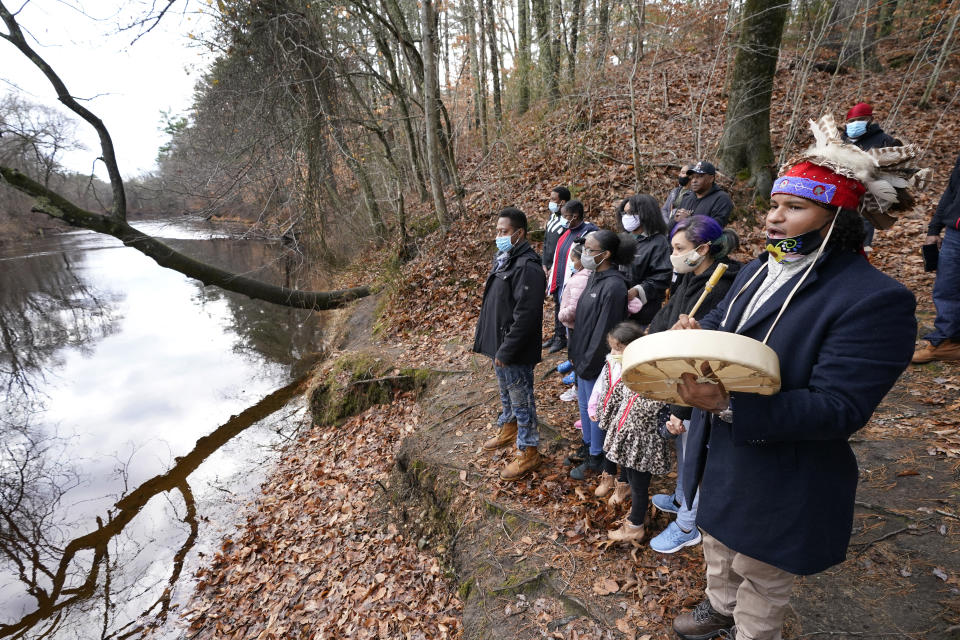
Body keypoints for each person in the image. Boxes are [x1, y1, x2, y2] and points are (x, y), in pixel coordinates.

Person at [669, 116, 919, 640]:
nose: (774, 219)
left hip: (785, 462)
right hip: (724, 450)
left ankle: (750, 631)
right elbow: (727, 324)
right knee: (716, 538)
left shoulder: (875, 300)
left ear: (837, 220)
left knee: (760, 568)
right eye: (774, 205)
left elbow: (839, 407)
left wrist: (728, 406)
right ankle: (718, 605)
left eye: (794, 208)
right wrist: (696, 332)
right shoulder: (764, 266)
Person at [643, 215, 740, 555]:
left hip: (699, 385)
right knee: (685, 452)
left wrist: (680, 409)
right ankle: (682, 496)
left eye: (679, 249)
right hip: (676, 375)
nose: (674, 255)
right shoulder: (689, 277)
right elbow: (669, 313)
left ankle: (689, 522)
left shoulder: (722, 285)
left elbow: (702, 354)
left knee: (696, 449)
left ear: (702, 250)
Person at [473, 207, 547, 481]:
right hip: (499, 343)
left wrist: (506, 350)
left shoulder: (528, 267)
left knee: (522, 398)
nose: (499, 236)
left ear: (520, 233)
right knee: (506, 392)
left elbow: (526, 315)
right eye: (497, 231)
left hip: (515, 348)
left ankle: (528, 450)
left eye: (504, 232)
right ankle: (509, 426)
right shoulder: (505, 258)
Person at [567, 230, 637, 480]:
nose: (584, 252)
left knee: (595, 409)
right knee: (585, 406)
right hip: (582, 357)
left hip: (596, 362)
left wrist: (588, 362)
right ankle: (588, 446)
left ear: (606, 254)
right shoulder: (594, 277)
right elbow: (582, 320)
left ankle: (597, 456)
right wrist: (574, 353)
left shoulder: (615, 285)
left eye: (590, 249)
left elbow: (605, 331)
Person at [598, 322, 672, 544]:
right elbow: (616, 398)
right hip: (627, 441)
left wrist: (669, 430)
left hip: (643, 447)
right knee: (630, 478)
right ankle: (633, 515)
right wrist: (605, 418)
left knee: (639, 488)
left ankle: (635, 526)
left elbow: (666, 420)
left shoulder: (662, 387)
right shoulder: (633, 376)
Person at [913, 149, 960, 363]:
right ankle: (944, 344)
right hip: (955, 234)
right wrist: (934, 229)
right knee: (947, 289)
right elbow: (951, 192)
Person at [840, 102, 902, 254]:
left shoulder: (884, 141)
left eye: (860, 119)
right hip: (841, 194)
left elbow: (894, 170)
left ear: (869, 120)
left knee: (862, 234)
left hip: (868, 198)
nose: (855, 124)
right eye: (851, 121)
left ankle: (860, 258)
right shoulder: (840, 140)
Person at [545, 200, 598, 353]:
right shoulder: (566, 230)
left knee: (573, 315)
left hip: (578, 282)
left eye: (564, 216)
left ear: (574, 216)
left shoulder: (589, 233)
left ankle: (574, 351)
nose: (562, 219)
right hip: (561, 279)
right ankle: (559, 337)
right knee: (560, 308)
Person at [620, 194, 673, 327]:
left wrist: (637, 291)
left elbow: (662, 277)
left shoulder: (659, 243)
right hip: (618, 306)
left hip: (642, 311)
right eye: (624, 212)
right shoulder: (623, 237)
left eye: (630, 213)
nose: (626, 217)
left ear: (645, 213)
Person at [542, 186, 571, 350]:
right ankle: (557, 334)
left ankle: (562, 337)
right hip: (549, 266)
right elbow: (547, 242)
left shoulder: (566, 221)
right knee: (555, 301)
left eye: (553, 199)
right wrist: (544, 263)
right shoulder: (552, 217)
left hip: (562, 268)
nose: (550, 202)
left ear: (563, 202)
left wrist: (555, 266)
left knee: (562, 301)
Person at [675, 161, 734, 227]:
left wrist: (689, 220)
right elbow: (673, 223)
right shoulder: (687, 197)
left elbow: (716, 227)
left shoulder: (721, 199)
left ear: (711, 179)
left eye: (699, 176)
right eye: (693, 177)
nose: (694, 180)